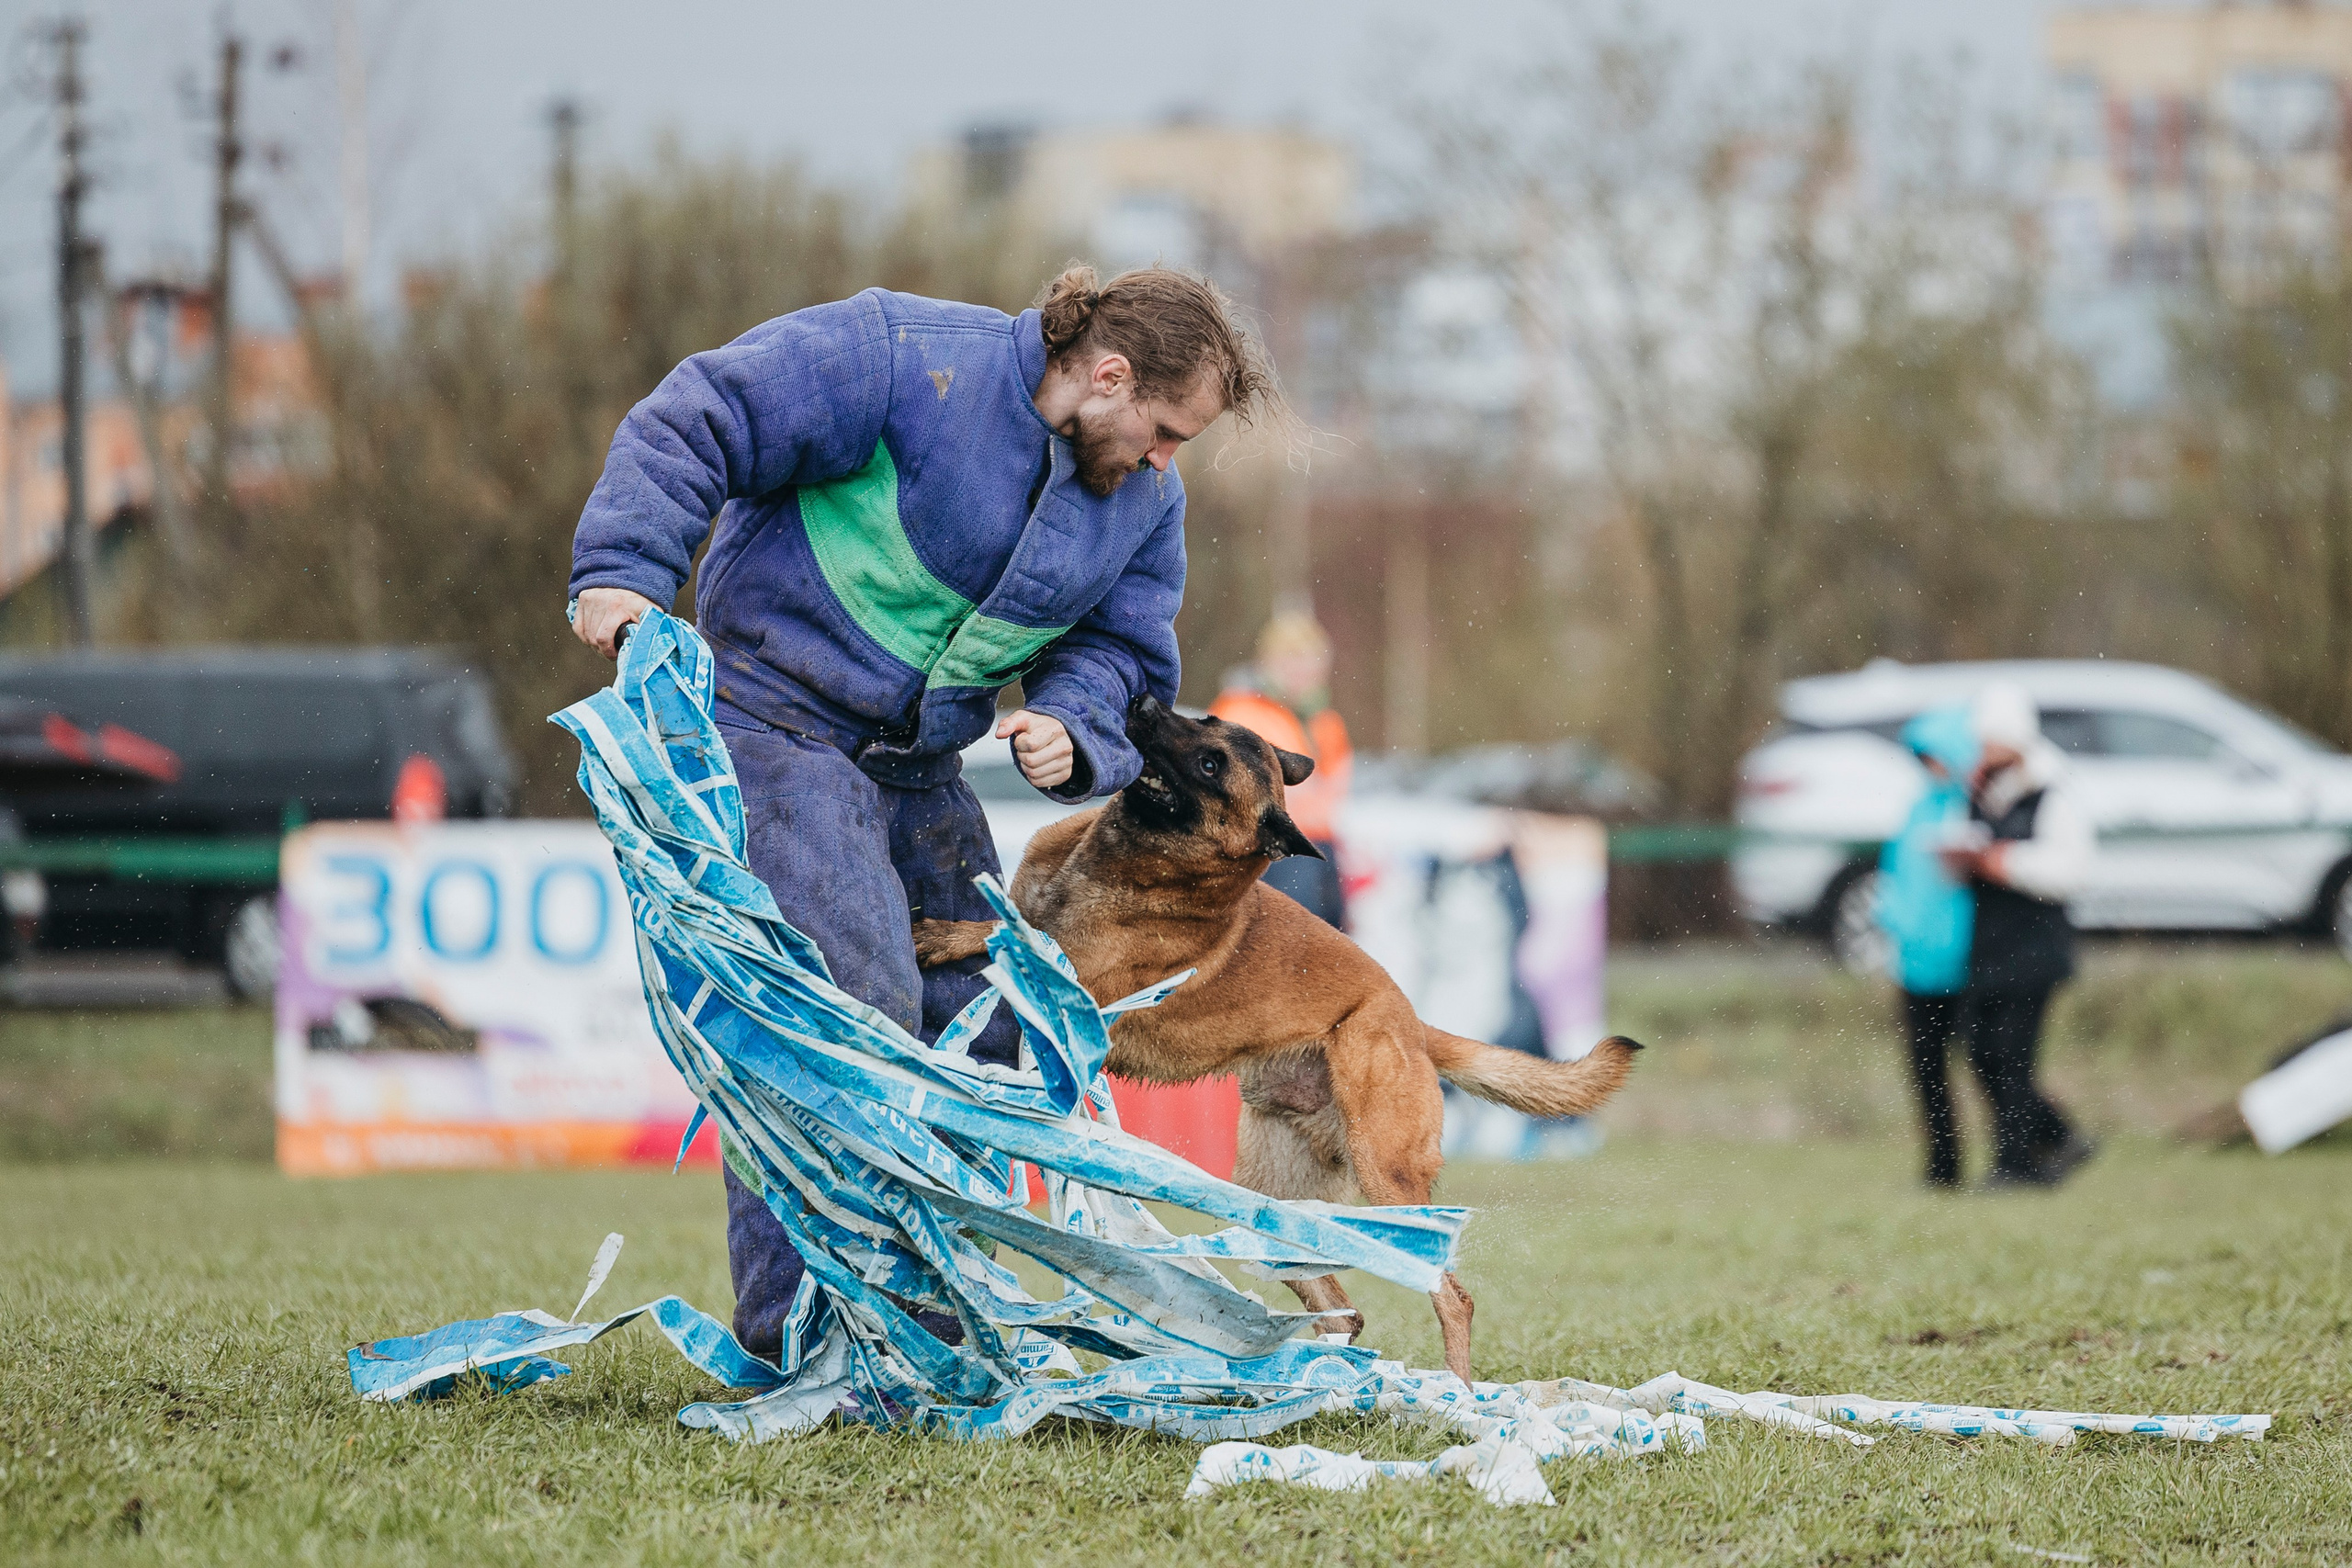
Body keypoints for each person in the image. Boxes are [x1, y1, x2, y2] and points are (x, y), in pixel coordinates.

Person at [566, 264, 1281, 1358]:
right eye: (1165, 431)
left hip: (920, 769)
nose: (1164, 461)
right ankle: (803, 1340)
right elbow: (700, 413)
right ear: (1106, 373)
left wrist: (1076, 726)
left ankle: (929, 1324)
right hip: (776, 726)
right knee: (843, 1018)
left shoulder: (1144, 505)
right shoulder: (895, 359)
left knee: (995, 1017)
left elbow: (1122, 652)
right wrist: (623, 570)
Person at [1940, 682, 2098, 1190]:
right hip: (1989, 946)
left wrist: (2002, 863)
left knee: (2013, 1056)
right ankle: (2058, 1135)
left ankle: (2017, 1164)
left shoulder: (2052, 794)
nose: (1982, 752)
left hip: (2034, 948)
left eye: (1991, 741)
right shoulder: (1981, 792)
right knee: (1981, 1052)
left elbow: (2070, 871)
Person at [1874, 706, 1981, 1189]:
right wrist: (1894, 924)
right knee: (1927, 1070)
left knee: (1987, 1064)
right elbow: (1897, 877)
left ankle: (2029, 1148)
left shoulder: (1973, 809)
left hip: (1966, 963)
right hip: (1916, 964)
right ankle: (1943, 1162)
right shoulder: (1918, 810)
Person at [1209, 612, 1353, 925]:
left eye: (1313, 660)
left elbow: (1331, 793)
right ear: (1267, 662)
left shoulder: (1324, 722)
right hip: (1269, 851)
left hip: (1320, 848)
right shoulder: (1241, 711)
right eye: (1293, 659)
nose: (1304, 670)